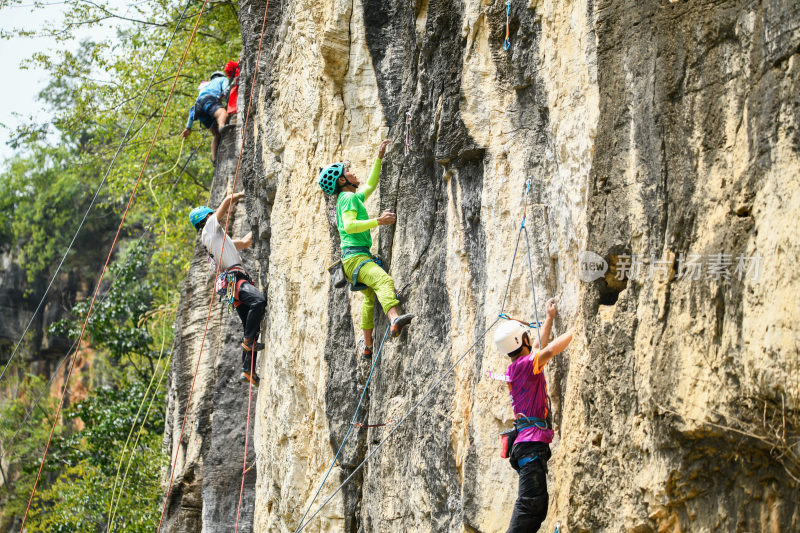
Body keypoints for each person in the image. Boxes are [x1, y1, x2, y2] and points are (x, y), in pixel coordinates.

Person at [318, 140, 414, 357]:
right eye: (348, 171)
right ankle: (394, 319)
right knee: (383, 281)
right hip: (356, 257)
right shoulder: (348, 198)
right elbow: (350, 226)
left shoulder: (349, 197)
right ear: (342, 179)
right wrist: (378, 221)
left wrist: (379, 157)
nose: (352, 172)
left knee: (370, 298)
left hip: (353, 259)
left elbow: (370, 185)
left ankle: (367, 346)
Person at [493, 299, 573, 532]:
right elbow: (547, 350)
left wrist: (549, 318)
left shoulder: (516, 367)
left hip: (527, 445)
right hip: (530, 445)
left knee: (534, 506)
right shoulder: (527, 365)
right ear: (523, 340)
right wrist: (578, 328)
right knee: (530, 506)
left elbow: (539, 347)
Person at [189, 193, 265, 386]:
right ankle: (248, 341)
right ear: (207, 217)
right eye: (211, 215)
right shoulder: (209, 230)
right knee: (259, 301)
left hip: (229, 285)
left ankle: (247, 370)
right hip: (233, 279)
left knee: (252, 324)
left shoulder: (218, 239)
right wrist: (240, 194)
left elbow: (245, 242)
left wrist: (260, 225)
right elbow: (225, 204)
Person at [180, 70, 230, 162]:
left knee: (216, 134)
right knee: (223, 113)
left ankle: (214, 160)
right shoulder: (222, 79)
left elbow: (192, 113)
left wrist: (188, 128)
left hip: (198, 107)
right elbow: (227, 89)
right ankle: (222, 127)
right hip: (208, 100)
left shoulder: (205, 86)